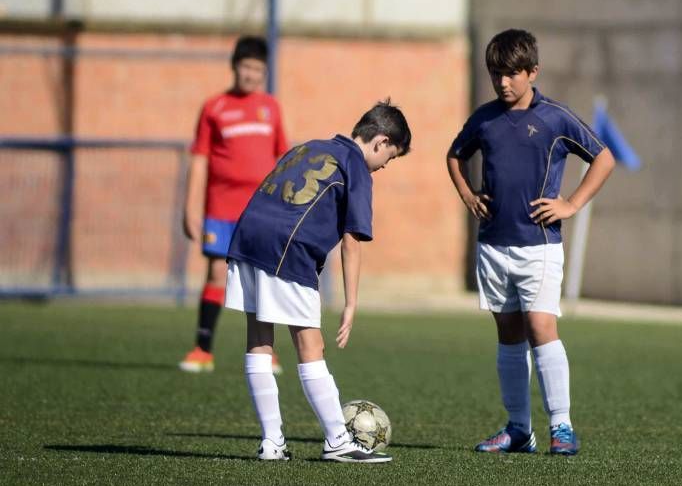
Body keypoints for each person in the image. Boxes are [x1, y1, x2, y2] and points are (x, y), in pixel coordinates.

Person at [446, 29, 615, 456]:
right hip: (493, 245)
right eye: (495, 74)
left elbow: (604, 157)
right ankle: (519, 428)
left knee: (541, 327)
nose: (502, 83)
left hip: (538, 245)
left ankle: (562, 426)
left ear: (532, 72)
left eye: (511, 74)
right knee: (508, 333)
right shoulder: (483, 118)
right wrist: (468, 195)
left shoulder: (555, 118)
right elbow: (454, 155)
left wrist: (572, 203)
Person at [224, 100, 411, 463]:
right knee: (311, 345)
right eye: (389, 157)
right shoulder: (355, 165)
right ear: (380, 141)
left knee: (260, 339)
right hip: (287, 248)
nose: (384, 166)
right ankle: (338, 440)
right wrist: (351, 303)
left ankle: (272, 443)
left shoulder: (309, 146)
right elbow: (352, 239)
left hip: (247, 236)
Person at [180, 36, 289, 374]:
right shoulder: (214, 107)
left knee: (262, 277)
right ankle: (202, 348)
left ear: (265, 71)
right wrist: (190, 208)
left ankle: (266, 352)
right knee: (216, 272)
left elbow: (281, 157)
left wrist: (286, 204)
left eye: (258, 69)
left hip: (260, 210)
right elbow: (199, 160)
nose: (251, 75)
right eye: (246, 67)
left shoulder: (270, 107)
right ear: (234, 67)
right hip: (221, 208)